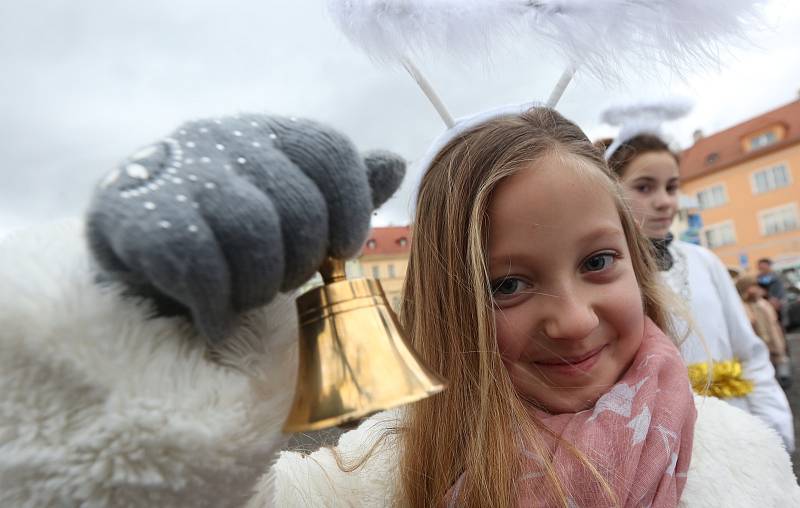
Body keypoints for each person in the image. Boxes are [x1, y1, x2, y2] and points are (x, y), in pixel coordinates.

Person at [7, 108, 798, 507]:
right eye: (507, 285)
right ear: (450, 303)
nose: (573, 319)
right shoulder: (375, 476)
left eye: (597, 263)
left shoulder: (744, 457)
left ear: (637, 261)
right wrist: (133, 314)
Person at [602, 132, 795, 451]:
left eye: (672, 187)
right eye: (644, 187)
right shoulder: (610, 274)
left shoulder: (704, 261)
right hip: (666, 441)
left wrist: (772, 430)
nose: (665, 201)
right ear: (611, 190)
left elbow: (749, 351)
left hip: (738, 428)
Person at [736, 274, 792, 388]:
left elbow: (774, 324)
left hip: (776, 345)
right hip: (763, 350)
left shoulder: (762, 302)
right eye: (753, 286)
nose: (757, 289)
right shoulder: (743, 307)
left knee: (782, 377)